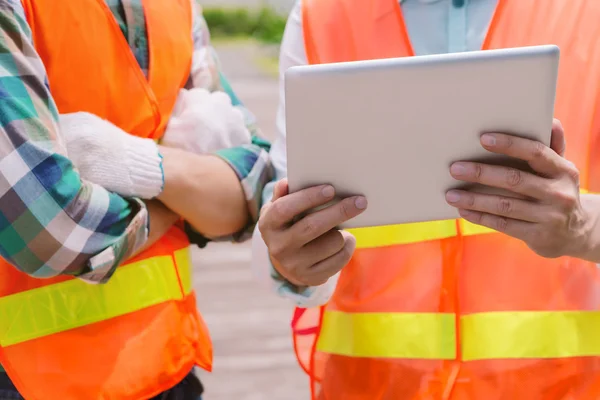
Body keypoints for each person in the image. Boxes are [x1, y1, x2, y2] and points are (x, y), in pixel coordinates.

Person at [252, 0, 600, 398]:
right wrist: (290, 261)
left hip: (563, 385)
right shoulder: (321, 16)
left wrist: (583, 227)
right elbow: (278, 223)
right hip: (374, 386)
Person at [0, 0, 272, 399]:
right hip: (25, 381)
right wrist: (187, 192)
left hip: (167, 366)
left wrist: (132, 162)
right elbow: (50, 229)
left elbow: (253, 185)